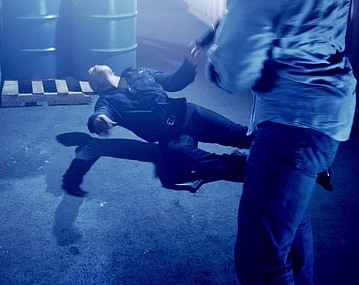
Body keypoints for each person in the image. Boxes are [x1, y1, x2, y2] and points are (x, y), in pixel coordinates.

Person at [203, 0, 357, 285]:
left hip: (292, 123)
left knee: (259, 256)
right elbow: (302, 3)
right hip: (334, 107)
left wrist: (213, 56)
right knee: (290, 224)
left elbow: (234, 74)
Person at [85, 50, 252, 192]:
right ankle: (248, 166)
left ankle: (263, 150)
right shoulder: (106, 102)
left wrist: (188, 65)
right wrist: (98, 120)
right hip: (170, 136)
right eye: (91, 73)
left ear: (112, 70)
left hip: (190, 114)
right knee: (181, 158)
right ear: (96, 87)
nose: (93, 67)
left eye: (96, 66)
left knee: (242, 135)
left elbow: (173, 82)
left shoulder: (139, 72)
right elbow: (99, 115)